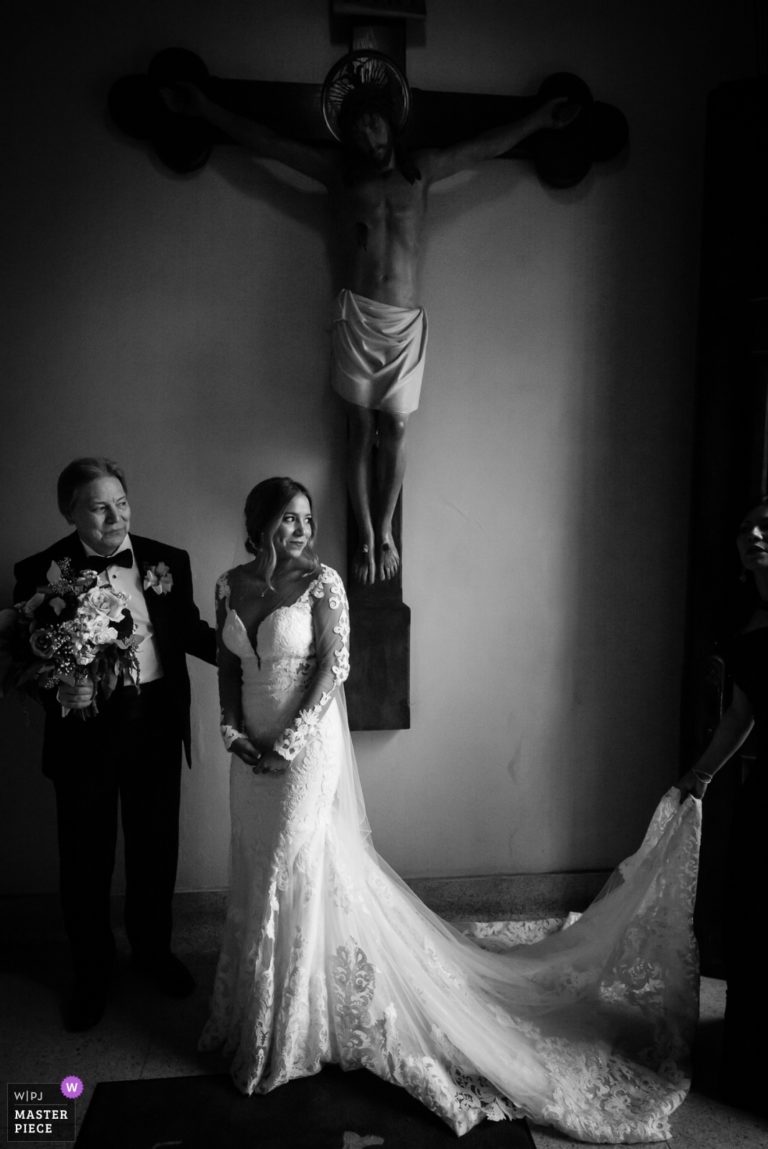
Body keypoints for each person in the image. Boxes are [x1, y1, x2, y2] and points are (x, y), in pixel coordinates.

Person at [200, 475, 702, 1142]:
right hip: (249, 762)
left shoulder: (323, 582)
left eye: (306, 518)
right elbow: (225, 668)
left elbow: (333, 666)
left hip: (304, 752)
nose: (299, 529)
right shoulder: (228, 584)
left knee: (288, 871)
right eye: (287, 518)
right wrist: (232, 733)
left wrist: (289, 741)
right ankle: (260, 1013)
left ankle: (283, 1033)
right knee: (261, 867)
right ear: (257, 520)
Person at [162, 81, 578, 585]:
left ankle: (385, 529)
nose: (367, 133)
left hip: (403, 324)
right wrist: (204, 104)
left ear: (390, 123)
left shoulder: (420, 169)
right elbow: (271, 144)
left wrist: (538, 120)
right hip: (357, 316)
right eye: (356, 127)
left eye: (374, 121)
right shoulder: (338, 173)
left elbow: (479, 148)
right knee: (360, 429)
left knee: (397, 427)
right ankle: (366, 533)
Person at [13, 457, 217, 1030]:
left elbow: (191, 631)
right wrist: (59, 689)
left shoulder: (167, 560)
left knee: (156, 850)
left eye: (122, 503)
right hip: (83, 735)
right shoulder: (38, 571)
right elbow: (26, 660)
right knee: (85, 860)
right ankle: (91, 972)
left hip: (155, 722)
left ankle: (153, 954)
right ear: (70, 511)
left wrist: (254, 659)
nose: (115, 516)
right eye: (100, 506)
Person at [677, 496, 768, 1116]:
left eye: (766, 526)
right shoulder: (746, 621)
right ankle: (747, 1063)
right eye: (745, 529)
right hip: (766, 793)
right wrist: (700, 776)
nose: (754, 535)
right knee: (755, 917)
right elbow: (742, 713)